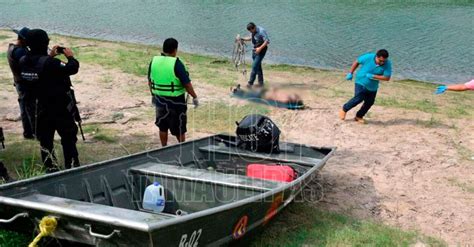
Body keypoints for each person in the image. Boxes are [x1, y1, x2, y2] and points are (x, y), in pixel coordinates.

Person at [19, 29, 81, 172]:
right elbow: (72, 68)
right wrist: (71, 57)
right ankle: (71, 166)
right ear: (45, 43)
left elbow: (39, 68)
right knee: (68, 137)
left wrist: (49, 56)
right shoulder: (50, 63)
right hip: (58, 107)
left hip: (38, 108)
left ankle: (51, 168)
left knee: (45, 141)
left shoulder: (23, 61)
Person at [148, 38, 198, 146]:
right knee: (179, 128)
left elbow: (150, 80)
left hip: (160, 100)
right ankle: (182, 147)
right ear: (175, 50)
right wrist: (194, 97)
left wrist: (153, 94)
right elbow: (187, 84)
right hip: (176, 102)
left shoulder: (154, 61)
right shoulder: (176, 63)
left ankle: (164, 147)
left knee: (162, 126)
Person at [339, 49, 392, 124]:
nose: (382, 63)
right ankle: (344, 109)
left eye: (384, 61)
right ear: (376, 57)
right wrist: (350, 73)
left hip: (373, 86)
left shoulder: (387, 64)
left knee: (369, 102)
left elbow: (387, 78)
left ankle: (359, 116)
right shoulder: (368, 57)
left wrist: (373, 76)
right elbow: (357, 62)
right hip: (360, 81)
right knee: (359, 98)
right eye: (380, 61)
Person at [7, 27, 36, 139]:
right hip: (24, 84)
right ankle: (33, 133)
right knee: (29, 109)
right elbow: (30, 65)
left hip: (19, 82)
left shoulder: (12, 48)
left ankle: (28, 133)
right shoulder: (20, 51)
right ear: (24, 39)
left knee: (24, 108)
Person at [241, 22, 270, 88]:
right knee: (258, 67)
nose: (251, 32)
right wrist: (243, 39)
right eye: (250, 31)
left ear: (254, 27)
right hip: (254, 50)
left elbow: (267, 41)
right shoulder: (252, 31)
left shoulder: (261, 31)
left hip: (261, 50)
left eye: (251, 30)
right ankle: (261, 84)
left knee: (254, 66)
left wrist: (259, 48)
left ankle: (250, 84)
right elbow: (251, 38)